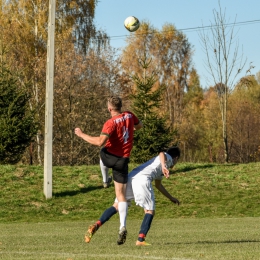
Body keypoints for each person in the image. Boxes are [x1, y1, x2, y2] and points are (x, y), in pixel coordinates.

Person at [74, 96, 142, 245]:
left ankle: (105, 180)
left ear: (109, 108)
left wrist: (81, 134)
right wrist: (130, 129)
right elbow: (139, 125)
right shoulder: (129, 115)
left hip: (111, 157)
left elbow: (99, 142)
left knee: (102, 152)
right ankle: (122, 226)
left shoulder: (110, 123)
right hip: (124, 160)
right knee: (121, 196)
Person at [84, 146, 180, 246]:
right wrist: (164, 166)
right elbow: (162, 153)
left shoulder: (161, 164)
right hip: (142, 179)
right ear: (176, 158)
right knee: (150, 210)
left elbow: (158, 185)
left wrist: (171, 198)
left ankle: (96, 225)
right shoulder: (167, 158)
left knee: (117, 205)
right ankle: (140, 239)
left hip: (131, 177)